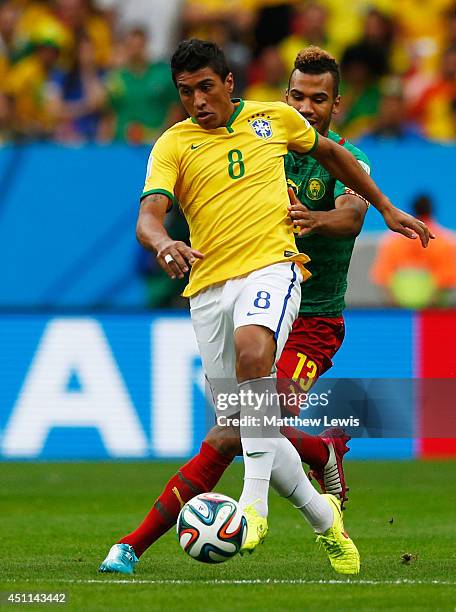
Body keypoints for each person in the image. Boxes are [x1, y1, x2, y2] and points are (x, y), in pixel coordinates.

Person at [99, 39, 431, 576]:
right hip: (216, 289)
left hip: (306, 312)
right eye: (297, 96)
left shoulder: (322, 148)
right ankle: (322, 484)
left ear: (334, 106)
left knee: (238, 416)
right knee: (241, 426)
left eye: (317, 100)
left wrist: (347, 215)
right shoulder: (233, 138)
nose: (305, 109)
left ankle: (155, 538)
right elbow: (152, 213)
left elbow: (349, 214)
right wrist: (164, 242)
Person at [371, 194, 456, 308]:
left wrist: (395, 310)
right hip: (433, 312)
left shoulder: (392, 241)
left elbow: (383, 277)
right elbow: (447, 279)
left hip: (400, 313)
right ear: (431, 210)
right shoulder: (445, 241)